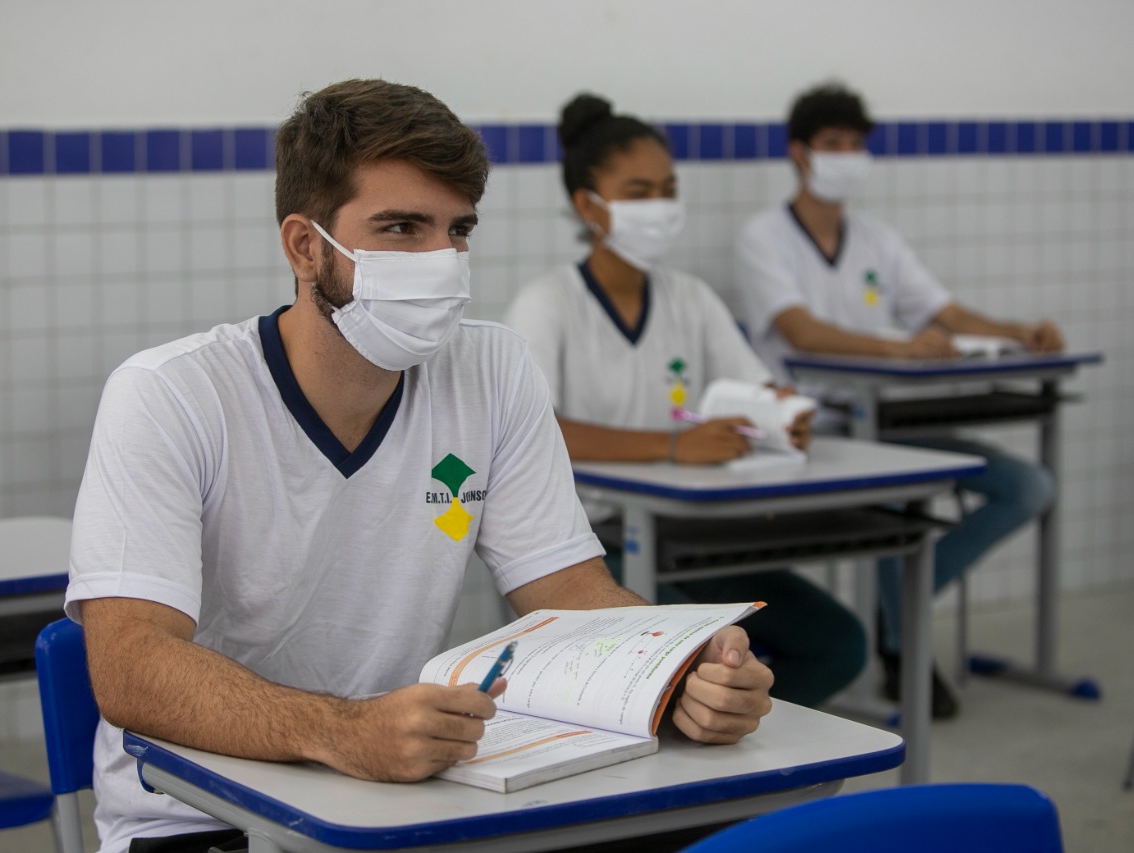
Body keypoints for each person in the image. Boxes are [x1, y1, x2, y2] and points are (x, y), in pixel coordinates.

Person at [66, 79, 774, 853]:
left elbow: (570, 590)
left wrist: (678, 668)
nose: (440, 260)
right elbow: (131, 665)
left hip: (406, 800)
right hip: (202, 818)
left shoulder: (493, 369)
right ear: (305, 246)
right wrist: (342, 730)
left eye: (457, 230)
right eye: (401, 227)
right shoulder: (170, 394)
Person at [503, 93, 865, 710]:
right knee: (687, 665)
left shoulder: (690, 298)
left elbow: (757, 386)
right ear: (589, 206)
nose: (659, 207)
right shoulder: (548, 304)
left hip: (697, 533)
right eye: (638, 192)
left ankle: (739, 732)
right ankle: (704, 728)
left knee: (838, 644)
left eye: (668, 190)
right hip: (599, 549)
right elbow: (536, 431)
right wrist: (673, 446)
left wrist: (783, 416)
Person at [736, 81, 1061, 718]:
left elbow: (944, 312)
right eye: (834, 143)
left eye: (857, 144)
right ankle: (901, 644)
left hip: (887, 420)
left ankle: (895, 616)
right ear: (799, 152)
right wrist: (899, 348)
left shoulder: (876, 238)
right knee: (893, 495)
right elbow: (801, 332)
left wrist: (1019, 332)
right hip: (819, 430)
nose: (848, 156)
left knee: (1028, 486)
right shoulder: (764, 237)